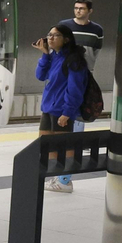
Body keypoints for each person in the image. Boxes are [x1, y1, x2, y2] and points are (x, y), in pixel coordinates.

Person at [36, 24, 90, 193]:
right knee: (47, 144)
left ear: (66, 39)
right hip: (48, 107)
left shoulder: (74, 59)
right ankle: (55, 176)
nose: (50, 38)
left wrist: (68, 112)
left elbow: (75, 89)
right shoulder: (54, 57)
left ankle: (65, 181)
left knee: (64, 146)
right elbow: (40, 75)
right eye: (49, 34)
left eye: (55, 35)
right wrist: (45, 55)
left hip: (62, 109)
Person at [58, 0, 103, 65]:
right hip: (65, 68)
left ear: (90, 11)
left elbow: (96, 51)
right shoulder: (64, 25)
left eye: (82, 8)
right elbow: (56, 45)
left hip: (86, 68)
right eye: (76, 8)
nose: (78, 11)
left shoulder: (97, 29)